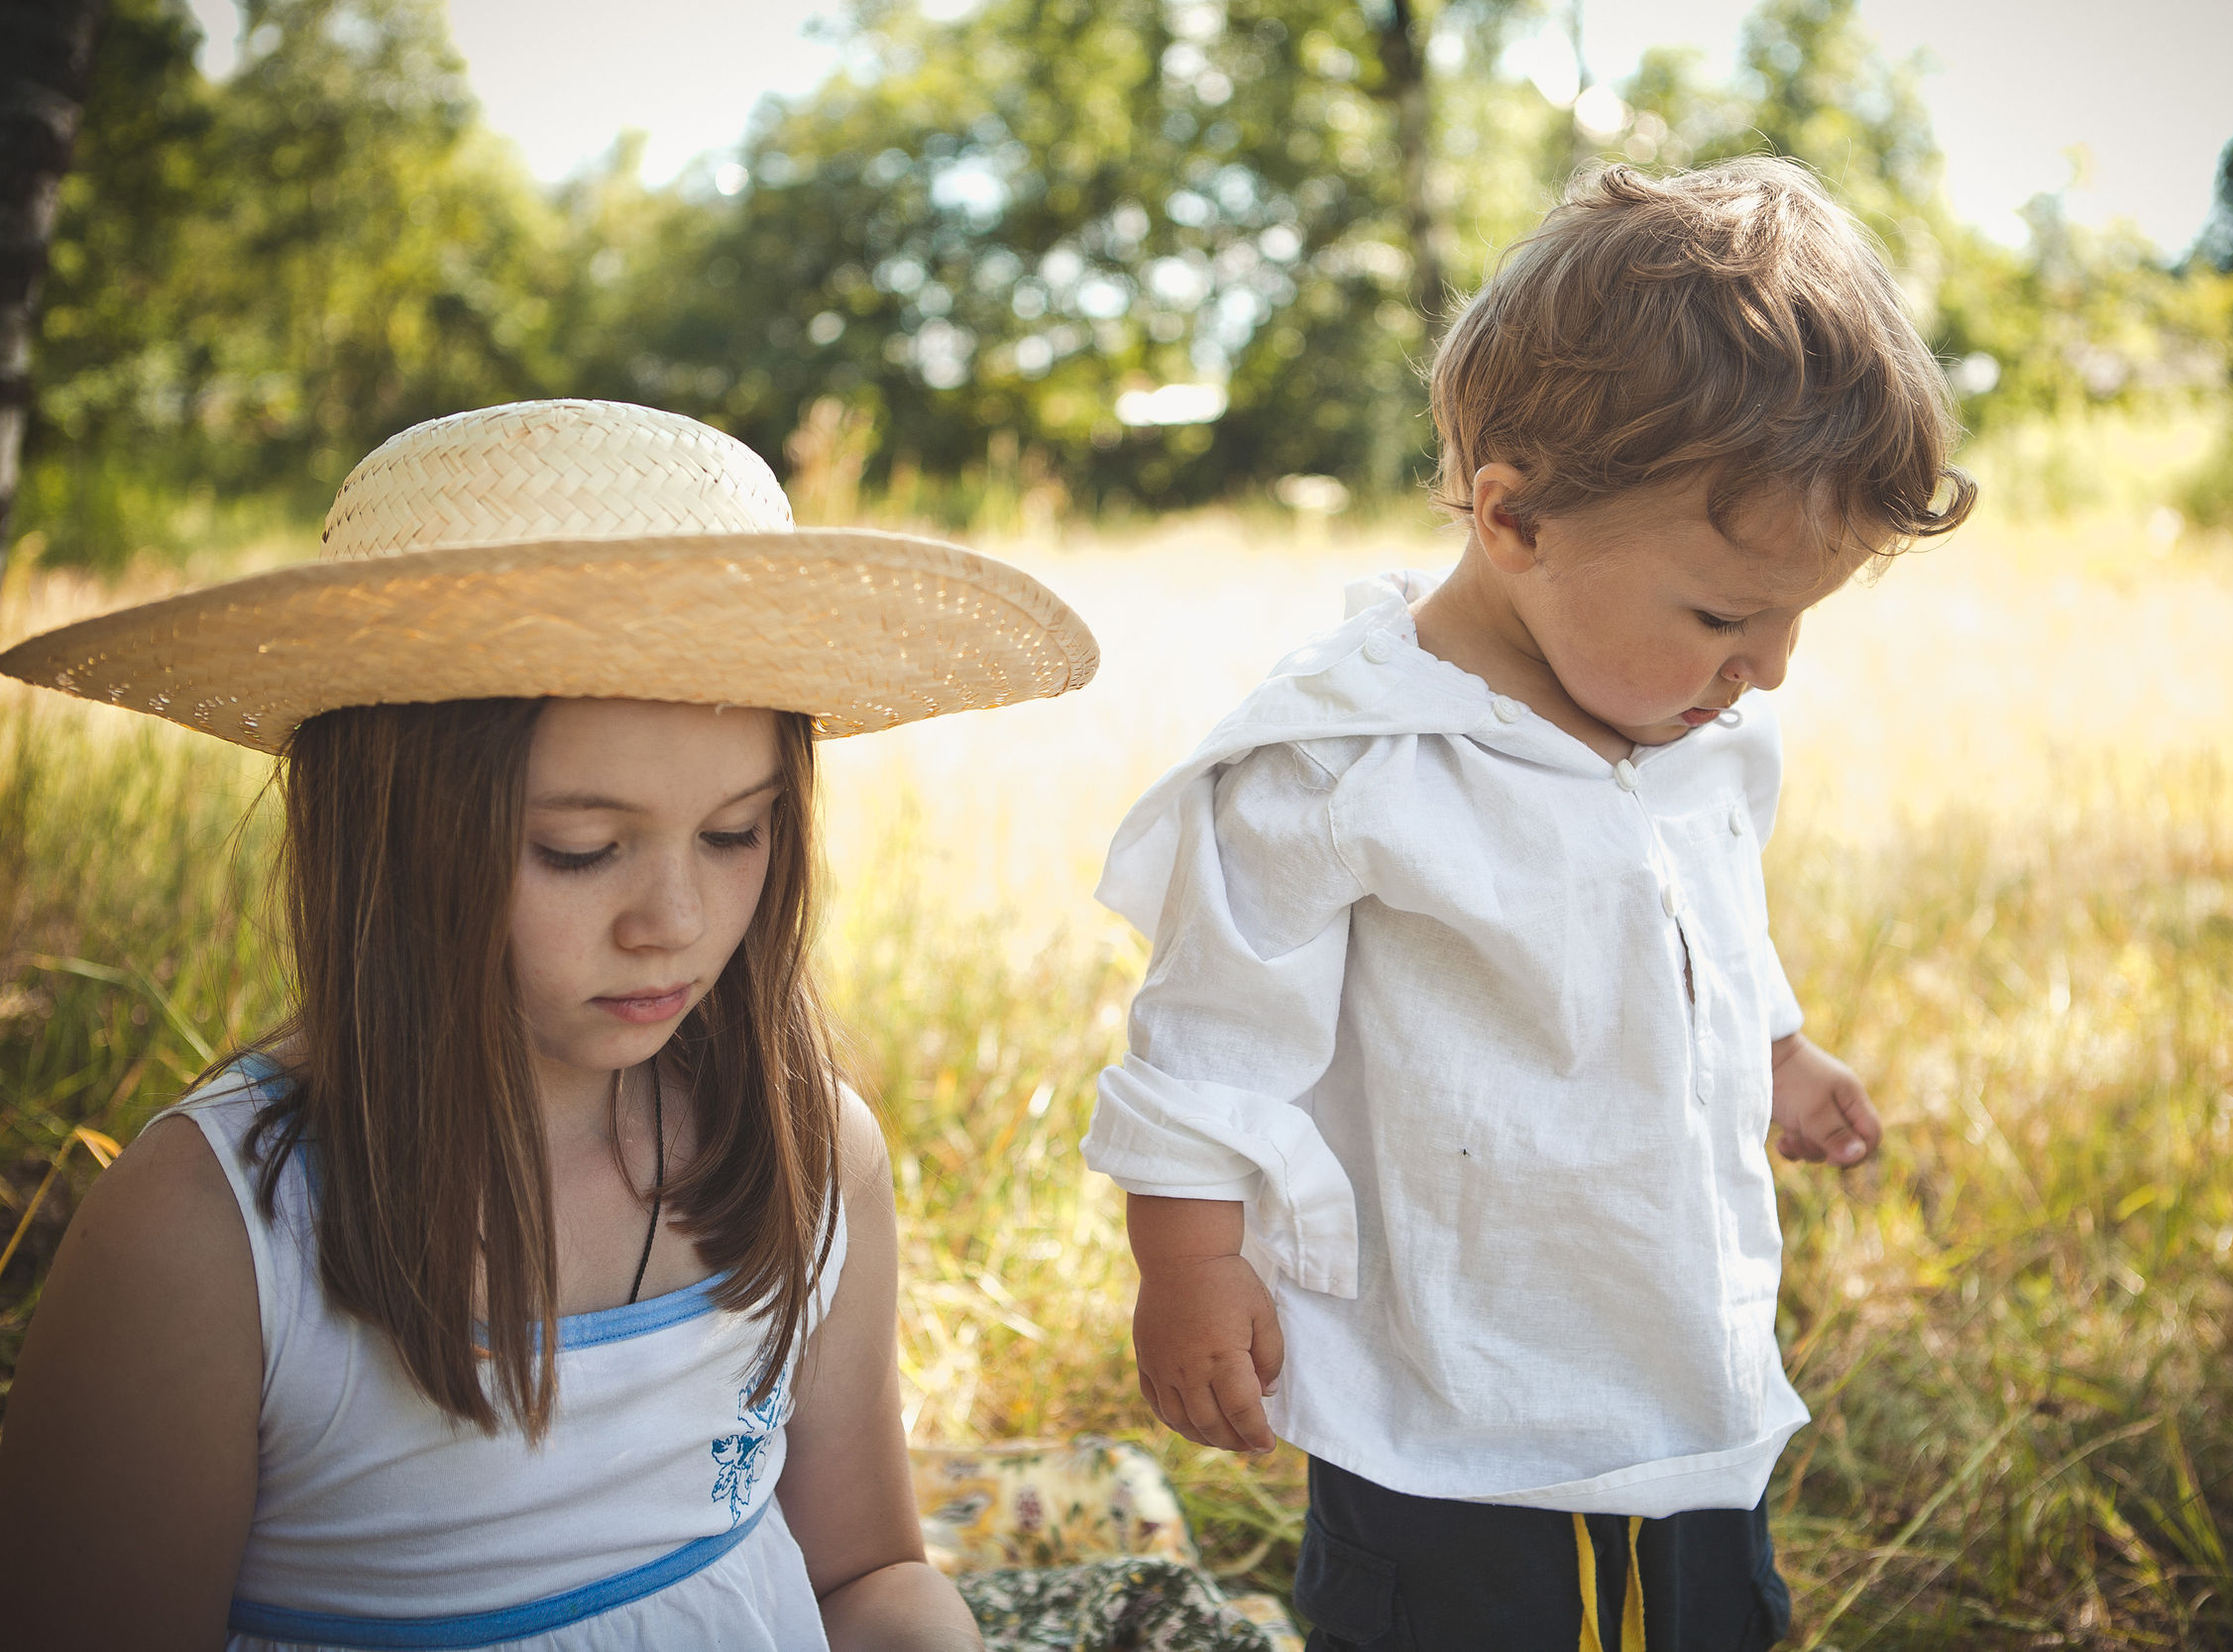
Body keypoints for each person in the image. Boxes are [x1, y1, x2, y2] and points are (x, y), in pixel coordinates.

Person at [0, 399, 1098, 1651]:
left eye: (736, 832)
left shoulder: (805, 1146)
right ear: (391, 834)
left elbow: (864, 1571)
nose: (674, 921)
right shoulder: (210, 1231)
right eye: (579, 850)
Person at [1080, 159, 1975, 1651]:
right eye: (1723, 615)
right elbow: (1209, 1047)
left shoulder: (1694, 727)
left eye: (1794, 619)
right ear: (1515, 521)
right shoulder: (1345, 762)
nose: (1767, 670)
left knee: (1708, 1619)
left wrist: (1774, 1051)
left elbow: (1705, 919)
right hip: (1462, 1401)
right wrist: (1191, 1262)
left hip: (1678, 1365)